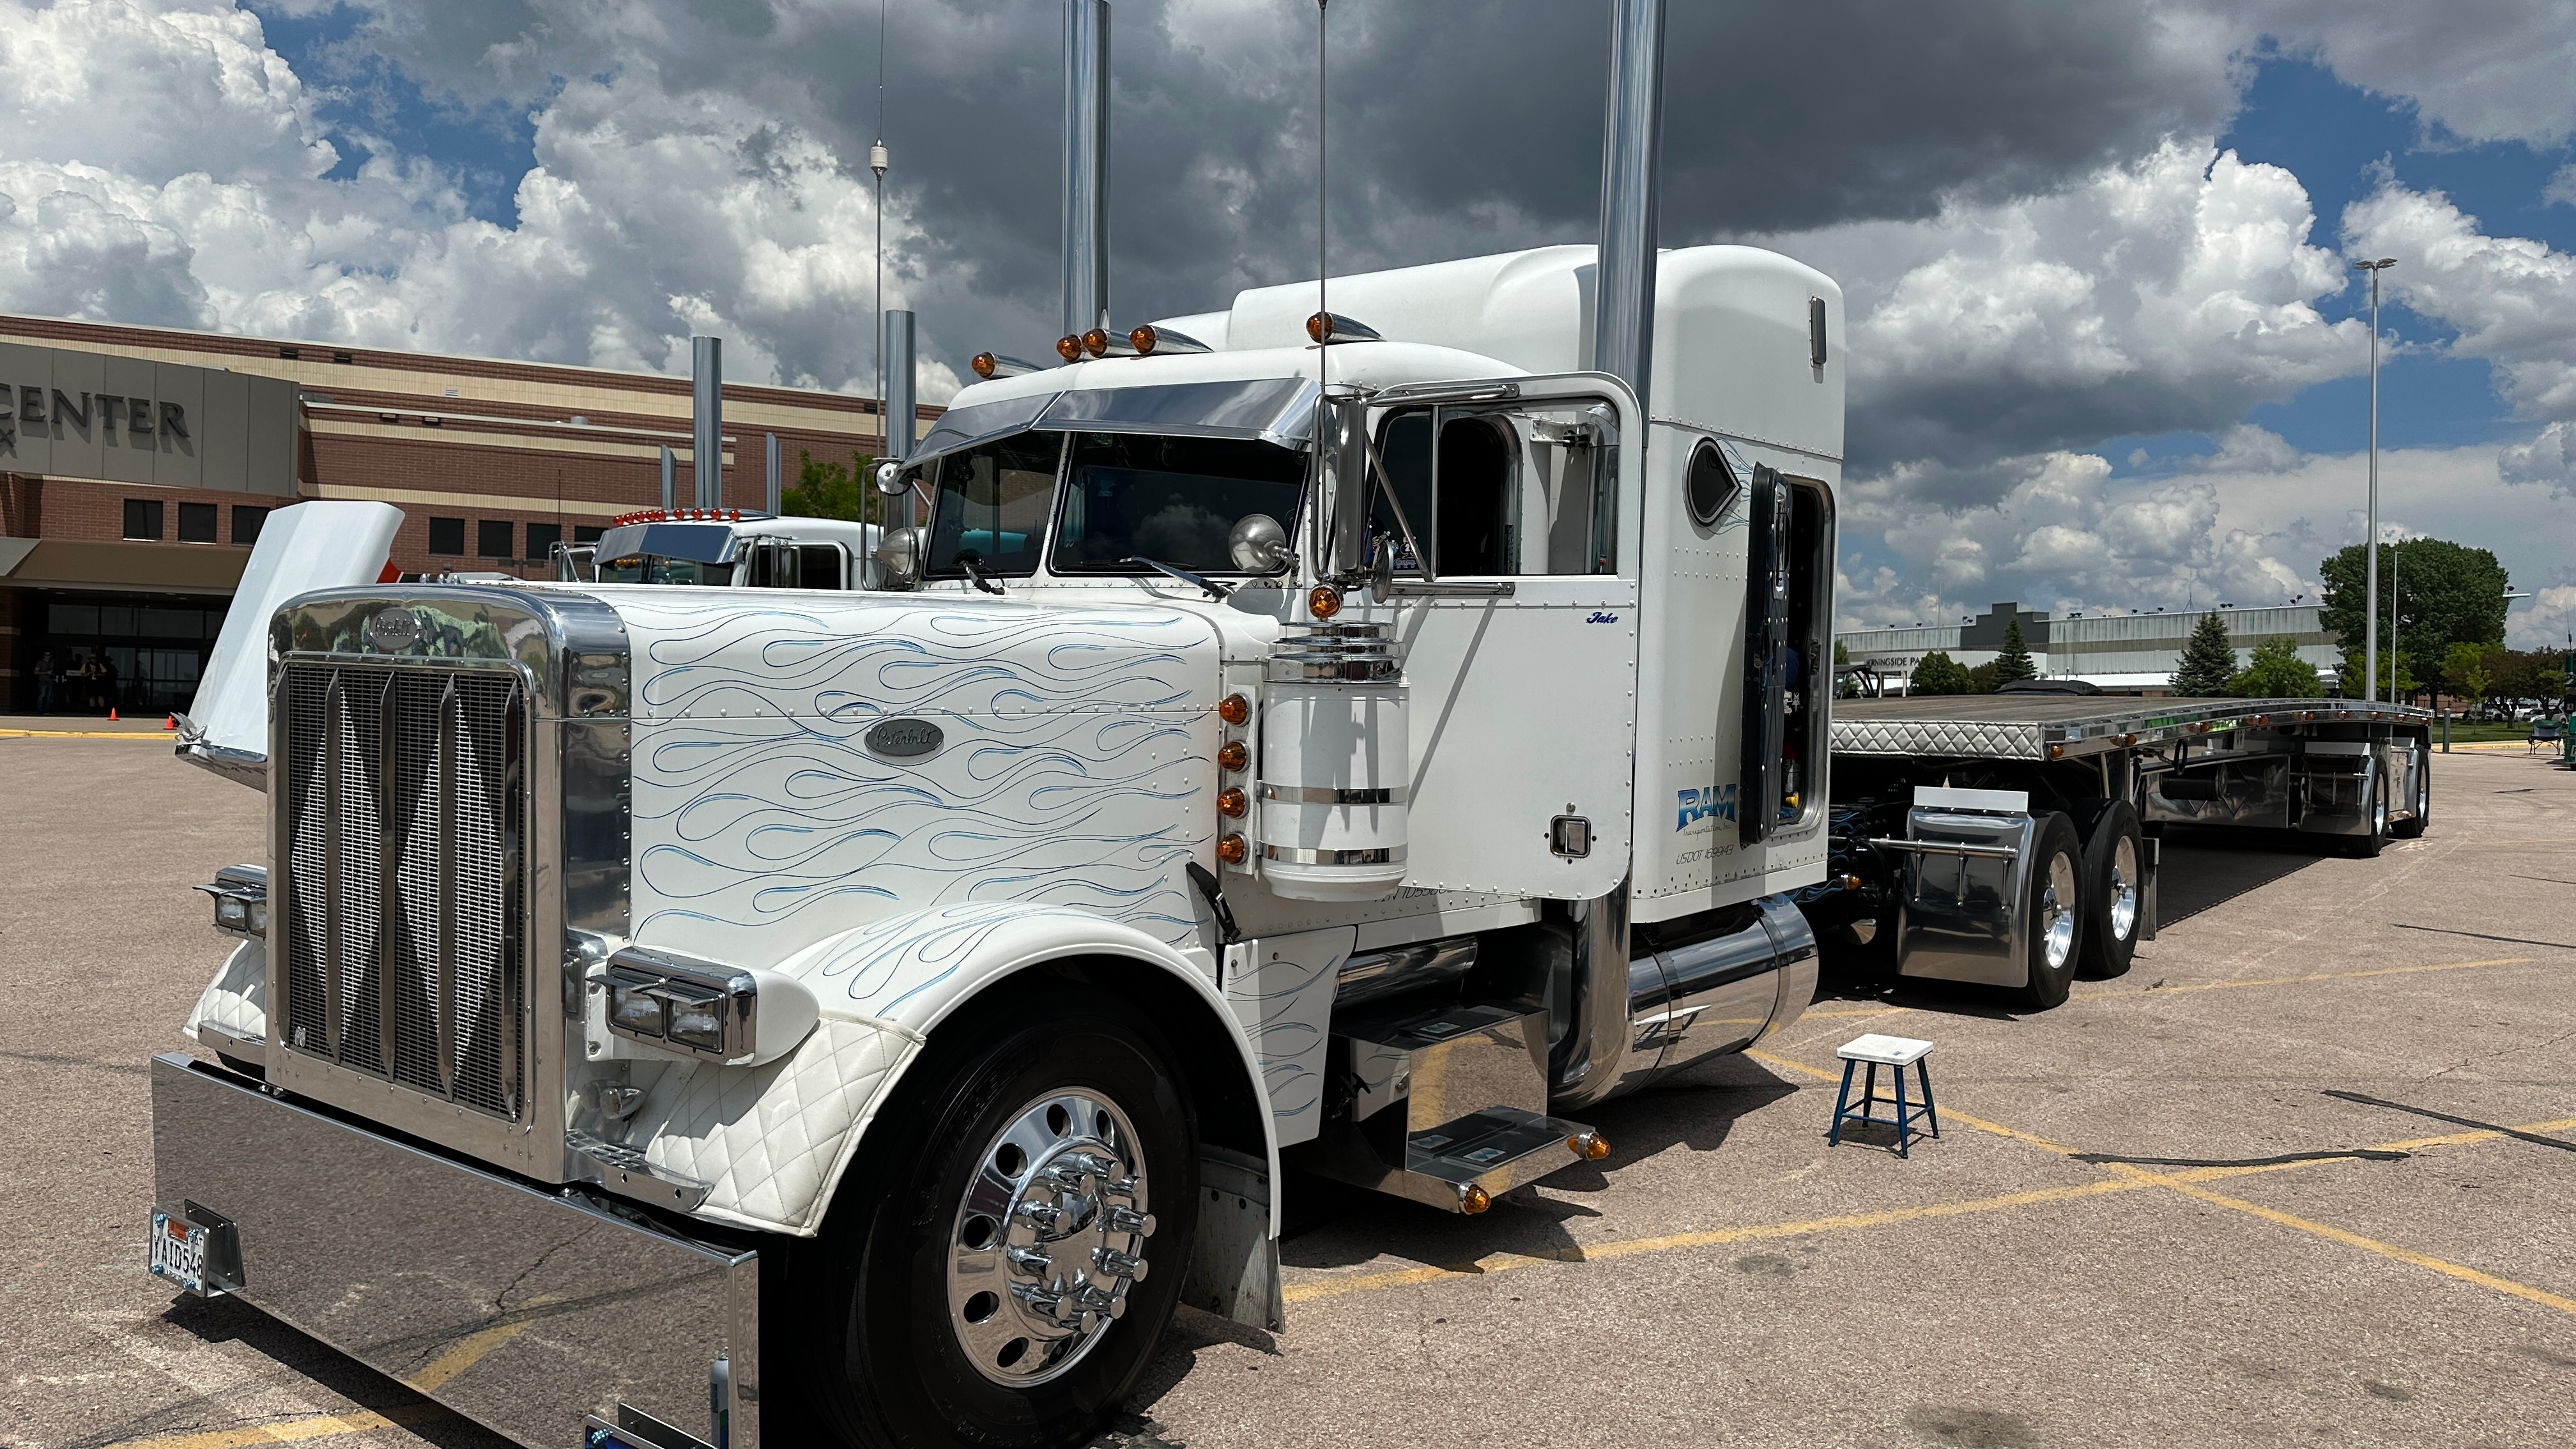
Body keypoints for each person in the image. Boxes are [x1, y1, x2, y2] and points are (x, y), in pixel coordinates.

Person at [32, 648, 53, 714]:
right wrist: (46, 673)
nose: (48, 656)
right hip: (43, 680)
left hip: (50, 680)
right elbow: (35, 672)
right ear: (44, 655)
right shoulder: (40, 663)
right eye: (46, 655)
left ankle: (47, 710)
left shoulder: (51, 663)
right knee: (42, 695)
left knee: (48, 696)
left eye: (49, 655)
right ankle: (40, 710)